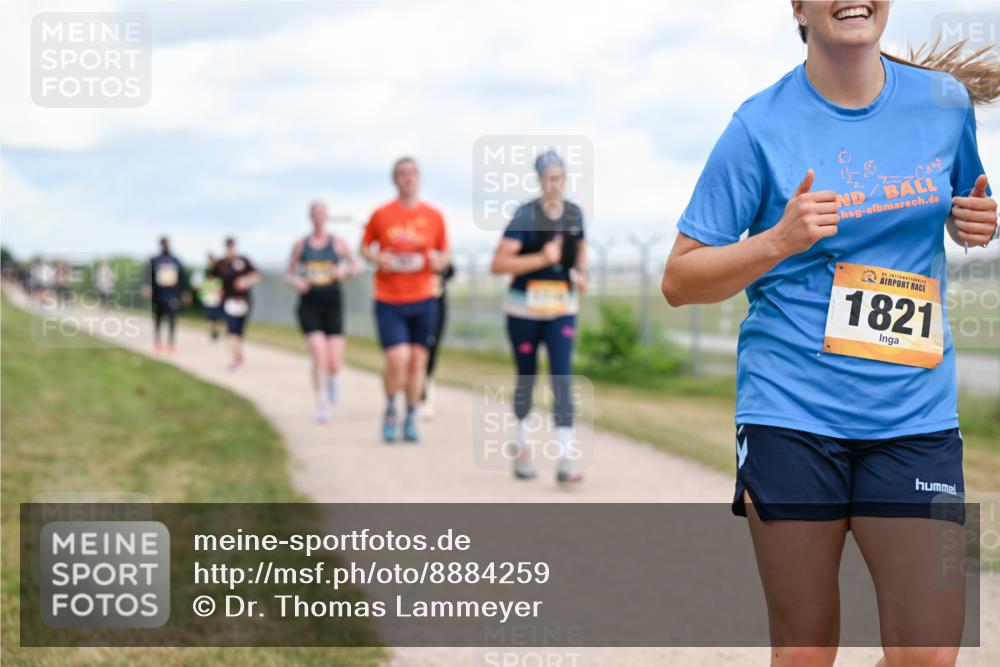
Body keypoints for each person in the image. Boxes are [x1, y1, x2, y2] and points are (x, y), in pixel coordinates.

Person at [660, 3, 999, 665]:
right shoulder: (758, 126)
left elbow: (966, 201)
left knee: (928, 651)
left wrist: (975, 221)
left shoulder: (943, 103)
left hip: (914, 414)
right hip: (793, 411)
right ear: (798, 7)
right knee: (806, 651)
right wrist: (779, 241)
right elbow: (680, 279)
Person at [490, 150, 587, 483]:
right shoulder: (525, 216)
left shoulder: (574, 214)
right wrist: (540, 259)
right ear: (540, 180)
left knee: (562, 378)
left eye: (560, 178)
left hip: (561, 308)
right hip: (523, 310)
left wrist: (581, 275)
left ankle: (565, 460)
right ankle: (522, 451)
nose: (555, 184)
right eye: (549, 178)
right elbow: (498, 265)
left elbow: (580, 259)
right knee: (527, 378)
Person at [361, 157, 450, 443]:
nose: (407, 178)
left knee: (417, 362)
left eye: (412, 173)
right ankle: (390, 408)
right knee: (397, 360)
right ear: (394, 180)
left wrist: (439, 261)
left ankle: (411, 413)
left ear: (419, 178)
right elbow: (364, 248)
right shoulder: (381, 214)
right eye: (402, 174)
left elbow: (446, 254)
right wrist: (377, 257)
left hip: (424, 297)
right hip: (389, 297)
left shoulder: (434, 216)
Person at [286, 201, 360, 423]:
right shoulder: (301, 244)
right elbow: (288, 273)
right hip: (309, 304)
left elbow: (356, 266)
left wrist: (343, 271)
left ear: (327, 216)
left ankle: (332, 379)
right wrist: (296, 281)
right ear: (310, 216)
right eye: (315, 212)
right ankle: (321, 403)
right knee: (319, 353)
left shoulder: (338, 243)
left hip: (332, 304)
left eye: (322, 212)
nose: (319, 216)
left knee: (334, 361)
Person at [214, 237, 260, 370]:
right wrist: (217, 292)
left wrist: (246, 281)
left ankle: (238, 355)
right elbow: (214, 280)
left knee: (239, 332)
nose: (230, 249)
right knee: (232, 331)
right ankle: (236, 358)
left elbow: (256, 275)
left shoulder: (243, 261)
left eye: (232, 246)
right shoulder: (221, 264)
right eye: (228, 246)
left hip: (244, 301)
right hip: (229, 301)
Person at [420, 261, 454, 420]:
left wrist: (441, 268)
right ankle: (415, 394)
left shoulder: (440, 248)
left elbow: (451, 270)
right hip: (414, 303)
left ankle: (425, 392)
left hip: (436, 304)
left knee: (431, 350)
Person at [142, 237, 186, 353]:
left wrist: (184, 293)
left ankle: (171, 344)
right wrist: (146, 286)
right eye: (163, 244)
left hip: (173, 295)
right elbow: (147, 275)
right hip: (158, 295)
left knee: (172, 320)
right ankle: (158, 342)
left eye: (167, 244)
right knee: (157, 320)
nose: (165, 246)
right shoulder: (154, 260)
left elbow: (182, 277)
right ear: (160, 245)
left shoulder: (176, 260)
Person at [196, 253, 225, 341]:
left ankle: (215, 331)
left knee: (216, 317)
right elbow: (202, 285)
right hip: (208, 297)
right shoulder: (206, 270)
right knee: (210, 317)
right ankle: (212, 332)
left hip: (216, 297)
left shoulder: (219, 269)